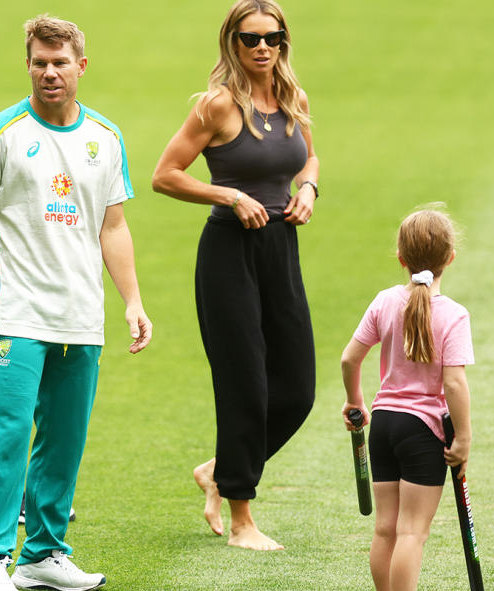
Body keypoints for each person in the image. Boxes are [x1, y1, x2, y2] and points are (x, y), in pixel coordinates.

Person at [0, 14, 151, 591]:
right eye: (39, 62)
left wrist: (132, 301)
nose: (49, 72)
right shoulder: (0, 134)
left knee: (65, 440)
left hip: (81, 315)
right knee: (8, 434)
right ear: (29, 65)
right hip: (17, 313)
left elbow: (113, 227)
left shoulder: (105, 138)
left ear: (80, 66)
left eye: (60, 62)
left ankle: (42, 554)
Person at [151, 0, 318, 551]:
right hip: (228, 251)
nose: (263, 47)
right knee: (245, 383)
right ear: (233, 43)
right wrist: (226, 193)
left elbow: (308, 159)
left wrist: (309, 188)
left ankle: (220, 470)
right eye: (251, 39)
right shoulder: (217, 106)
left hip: (280, 246)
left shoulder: (294, 99)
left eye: (272, 37)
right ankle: (242, 519)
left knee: (296, 389)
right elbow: (165, 174)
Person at [340, 208, 474, 591]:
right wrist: (463, 437)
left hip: (383, 423)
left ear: (401, 257)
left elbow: (350, 358)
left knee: (385, 530)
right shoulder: (453, 315)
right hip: (423, 430)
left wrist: (356, 403)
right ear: (451, 257)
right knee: (412, 532)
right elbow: (454, 384)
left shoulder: (385, 301)